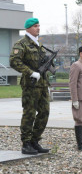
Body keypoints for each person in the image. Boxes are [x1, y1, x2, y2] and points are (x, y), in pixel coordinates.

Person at [10, 18, 50, 155]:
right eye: (35, 26)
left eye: (39, 25)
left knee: (45, 112)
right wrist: (30, 72)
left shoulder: (38, 44)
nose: (38, 28)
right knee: (29, 114)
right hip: (30, 85)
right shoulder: (21, 44)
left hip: (43, 84)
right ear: (28, 28)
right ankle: (26, 143)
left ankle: (35, 141)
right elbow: (14, 61)